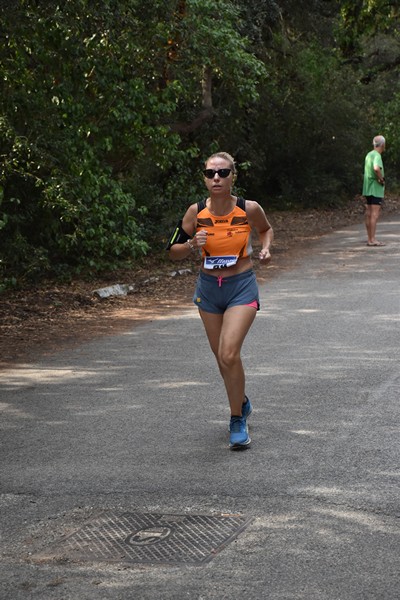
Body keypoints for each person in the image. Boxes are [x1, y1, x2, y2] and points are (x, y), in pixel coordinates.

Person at [168, 152, 273, 449]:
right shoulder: (195, 212)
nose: (216, 178)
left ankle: (237, 418)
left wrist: (266, 250)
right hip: (209, 290)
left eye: (223, 173)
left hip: (241, 286)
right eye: (211, 173)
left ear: (233, 176)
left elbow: (266, 230)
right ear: (204, 177)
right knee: (222, 359)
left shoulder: (248, 209)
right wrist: (190, 244)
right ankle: (241, 399)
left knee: (228, 354)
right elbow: (171, 249)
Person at [362, 135, 386, 247]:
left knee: (369, 213)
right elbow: (376, 168)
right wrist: (381, 179)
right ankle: (373, 239)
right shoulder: (377, 155)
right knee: (374, 214)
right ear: (382, 145)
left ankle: (369, 239)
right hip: (375, 188)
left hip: (367, 187)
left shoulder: (368, 155)